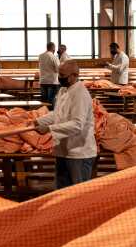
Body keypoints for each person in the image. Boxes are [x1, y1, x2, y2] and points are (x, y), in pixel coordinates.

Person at [34, 60, 97, 189]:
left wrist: (49, 129)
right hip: (63, 149)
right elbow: (58, 114)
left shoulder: (80, 94)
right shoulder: (63, 90)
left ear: (74, 75)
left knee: (77, 191)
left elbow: (77, 124)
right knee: (62, 189)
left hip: (78, 151)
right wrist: (39, 121)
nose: (60, 78)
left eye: (63, 76)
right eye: (59, 74)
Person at [37, 42, 60, 107]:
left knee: (44, 101)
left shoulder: (40, 56)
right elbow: (58, 69)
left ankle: (44, 113)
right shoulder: (54, 57)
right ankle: (51, 114)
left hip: (43, 81)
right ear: (53, 48)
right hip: (52, 81)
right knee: (51, 100)